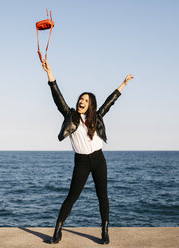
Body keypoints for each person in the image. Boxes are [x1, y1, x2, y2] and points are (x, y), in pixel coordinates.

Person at [41, 59, 134, 245]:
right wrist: (49, 73)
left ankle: (105, 230)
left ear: (90, 104)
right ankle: (58, 230)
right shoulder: (71, 116)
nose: (81, 101)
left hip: (99, 159)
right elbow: (56, 95)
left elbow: (111, 101)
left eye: (85, 100)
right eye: (80, 99)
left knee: (102, 195)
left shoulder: (97, 116)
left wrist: (123, 84)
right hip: (81, 162)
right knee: (72, 196)